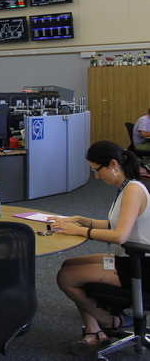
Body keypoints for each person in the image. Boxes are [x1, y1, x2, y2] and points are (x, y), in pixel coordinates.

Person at [50, 141, 150, 352]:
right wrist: (81, 220)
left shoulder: (133, 190)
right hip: (131, 257)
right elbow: (116, 224)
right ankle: (94, 332)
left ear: (113, 164)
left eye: (97, 170)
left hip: (141, 265)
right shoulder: (126, 187)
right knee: (69, 265)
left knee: (67, 278)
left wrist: (79, 231)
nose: (96, 176)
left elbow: (120, 235)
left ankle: (109, 322)